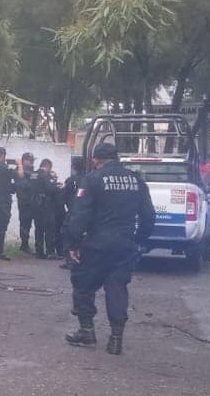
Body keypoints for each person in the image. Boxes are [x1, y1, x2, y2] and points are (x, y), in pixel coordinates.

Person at [62, 142, 156, 355]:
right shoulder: (136, 180)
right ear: (117, 158)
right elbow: (149, 216)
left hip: (96, 244)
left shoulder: (93, 180)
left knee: (83, 285)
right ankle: (116, 339)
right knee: (117, 288)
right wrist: (139, 240)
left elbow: (79, 216)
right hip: (124, 245)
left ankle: (87, 332)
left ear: (96, 160)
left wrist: (73, 244)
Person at [56, 157, 84, 269]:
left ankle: (70, 260)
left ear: (73, 166)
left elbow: (62, 196)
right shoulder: (88, 179)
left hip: (73, 211)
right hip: (85, 212)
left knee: (67, 234)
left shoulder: (71, 180)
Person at [32, 158, 62, 259]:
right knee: (50, 228)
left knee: (39, 228)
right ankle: (50, 252)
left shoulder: (33, 174)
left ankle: (39, 252)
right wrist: (58, 187)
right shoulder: (46, 175)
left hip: (35, 204)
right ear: (48, 166)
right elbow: (50, 189)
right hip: (45, 204)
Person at [16, 152, 39, 253]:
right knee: (25, 223)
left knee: (31, 224)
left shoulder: (32, 172)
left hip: (33, 201)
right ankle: (24, 245)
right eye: (30, 160)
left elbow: (35, 182)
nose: (32, 162)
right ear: (24, 160)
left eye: (33, 160)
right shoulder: (19, 171)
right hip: (24, 202)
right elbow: (25, 185)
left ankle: (29, 245)